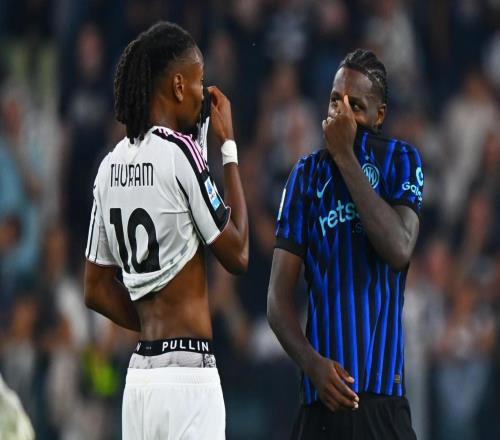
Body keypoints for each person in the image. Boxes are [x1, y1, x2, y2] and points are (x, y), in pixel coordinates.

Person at [83, 21, 248, 440]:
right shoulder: (182, 153)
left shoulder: (108, 167)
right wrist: (228, 147)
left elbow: (95, 289)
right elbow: (238, 253)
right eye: (199, 81)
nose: (203, 94)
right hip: (189, 380)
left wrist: (150, 322)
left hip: (139, 381)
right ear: (178, 86)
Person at [267, 49, 423, 439]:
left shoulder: (401, 160)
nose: (342, 113)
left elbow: (399, 248)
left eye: (356, 106)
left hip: (382, 404)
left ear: (379, 116)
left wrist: (346, 157)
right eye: (335, 100)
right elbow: (277, 300)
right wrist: (311, 365)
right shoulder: (306, 176)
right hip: (321, 404)